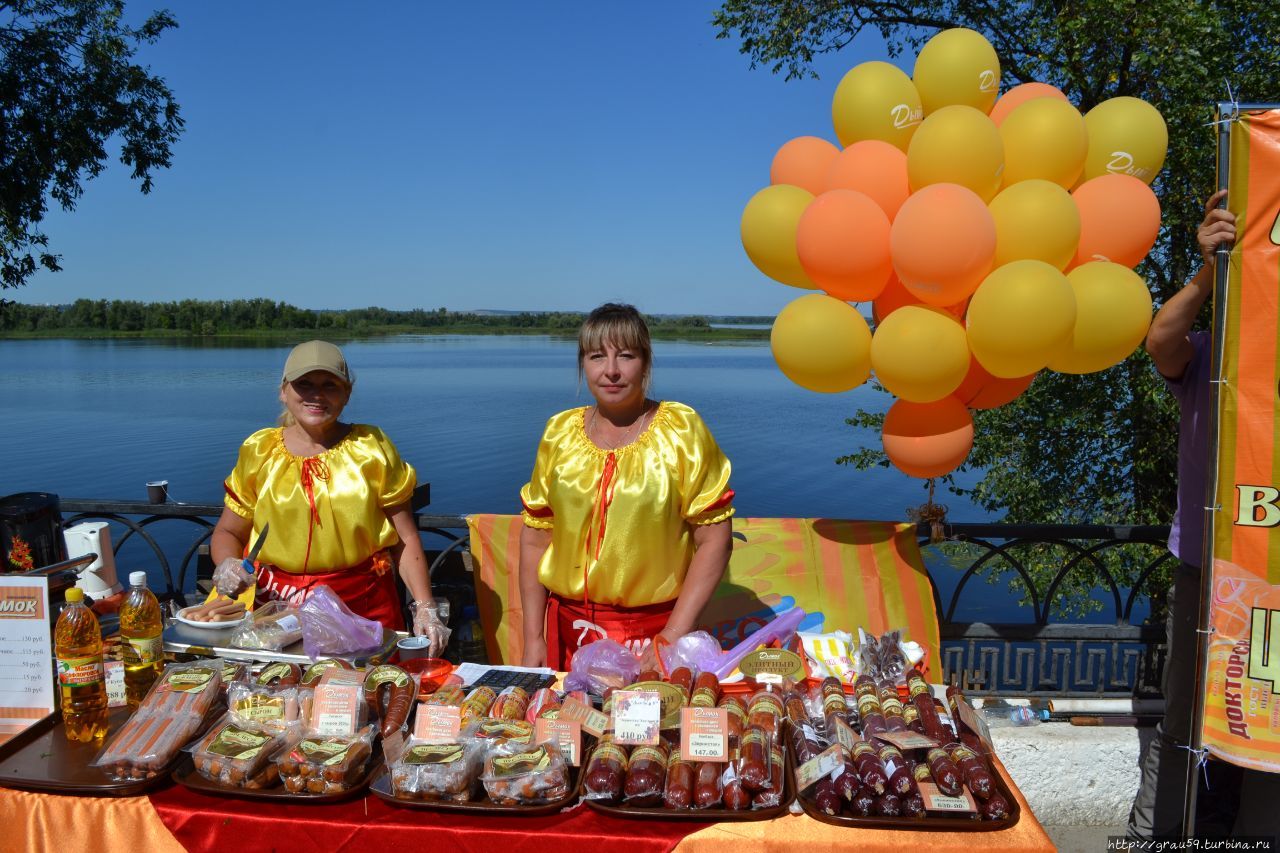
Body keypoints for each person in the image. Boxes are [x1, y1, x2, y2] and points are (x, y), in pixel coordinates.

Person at [1132, 191, 1280, 839]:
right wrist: (1207, 271)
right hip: (1205, 573)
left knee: (1264, 721)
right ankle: (1155, 836)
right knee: (1184, 716)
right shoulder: (1212, 352)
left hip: (1270, 590)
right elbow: (1158, 341)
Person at [518, 304, 735, 670]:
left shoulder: (681, 431)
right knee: (571, 726)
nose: (612, 371)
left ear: (646, 363)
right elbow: (536, 539)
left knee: (648, 728)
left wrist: (672, 635)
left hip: (654, 639)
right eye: (597, 356)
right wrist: (532, 639)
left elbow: (715, 539)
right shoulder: (558, 433)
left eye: (626, 356)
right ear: (583, 364)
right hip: (571, 636)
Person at [210, 340, 448, 653]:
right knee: (282, 692)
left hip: (361, 607)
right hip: (281, 612)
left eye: (329, 385)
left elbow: (405, 538)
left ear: (347, 393)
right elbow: (228, 531)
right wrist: (227, 564)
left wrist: (425, 606)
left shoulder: (371, 448)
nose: (316, 395)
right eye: (304, 384)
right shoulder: (259, 451)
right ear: (284, 391)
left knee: (363, 695)